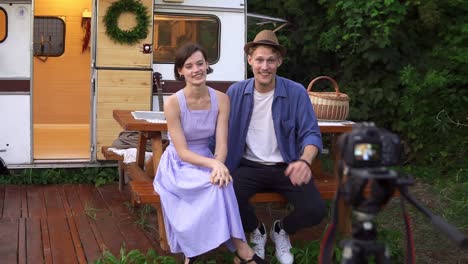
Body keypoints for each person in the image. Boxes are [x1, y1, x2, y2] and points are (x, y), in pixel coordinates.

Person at [153, 43, 266, 264]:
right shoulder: (173, 103)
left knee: (222, 183)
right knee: (213, 186)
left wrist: (219, 165)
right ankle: (240, 251)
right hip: (179, 163)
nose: (196, 69)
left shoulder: (222, 99)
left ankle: (199, 253)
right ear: (180, 71)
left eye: (200, 63)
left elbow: (222, 144)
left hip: (208, 157)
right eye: (188, 66)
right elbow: (183, 151)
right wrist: (214, 165)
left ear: (207, 65)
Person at [226, 30, 327, 264]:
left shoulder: (296, 92)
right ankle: (257, 229)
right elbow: (218, 133)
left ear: (279, 62)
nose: (265, 66)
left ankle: (282, 229)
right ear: (249, 60)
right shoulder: (236, 92)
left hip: (287, 165)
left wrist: (304, 161)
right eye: (259, 59)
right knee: (225, 196)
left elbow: (311, 133)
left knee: (316, 210)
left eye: (271, 60)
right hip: (248, 166)